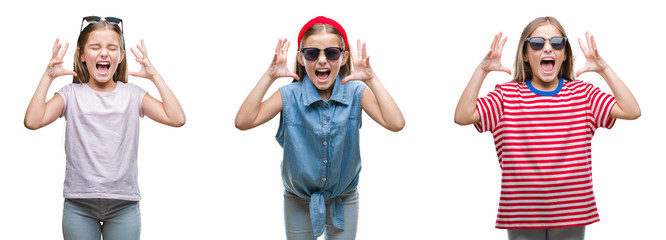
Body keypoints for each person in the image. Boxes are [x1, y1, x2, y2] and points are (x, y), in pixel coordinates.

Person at [454, 16, 640, 240]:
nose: (548, 48)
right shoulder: (506, 95)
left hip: (572, 210)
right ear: (525, 54)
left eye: (557, 43)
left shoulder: (583, 94)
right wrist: (482, 70)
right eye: (537, 43)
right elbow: (463, 116)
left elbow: (631, 111)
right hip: (522, 213)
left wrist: (604, 69)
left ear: (564, 54)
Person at [235, 16, 404, 239]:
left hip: (344, 199)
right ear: (301, 57)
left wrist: (370, 78)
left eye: (331, 53)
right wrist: (270, 75)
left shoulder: (355, 93)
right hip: (299, 200)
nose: (322, 60)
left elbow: (396, 123)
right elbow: (243, 121)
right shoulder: (289, 95)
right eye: (313, 53)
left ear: (344, 57)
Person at [24, 16, 185, 240]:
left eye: (112, 48)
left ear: (121, 56)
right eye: (95, 47)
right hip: (79, 205)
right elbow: (32, 121)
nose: (104, 53)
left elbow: (176, 118)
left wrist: (154, 76)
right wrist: (48, 76)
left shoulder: (133, 94)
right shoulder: (70, 95)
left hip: (124, 205)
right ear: (81, 54)